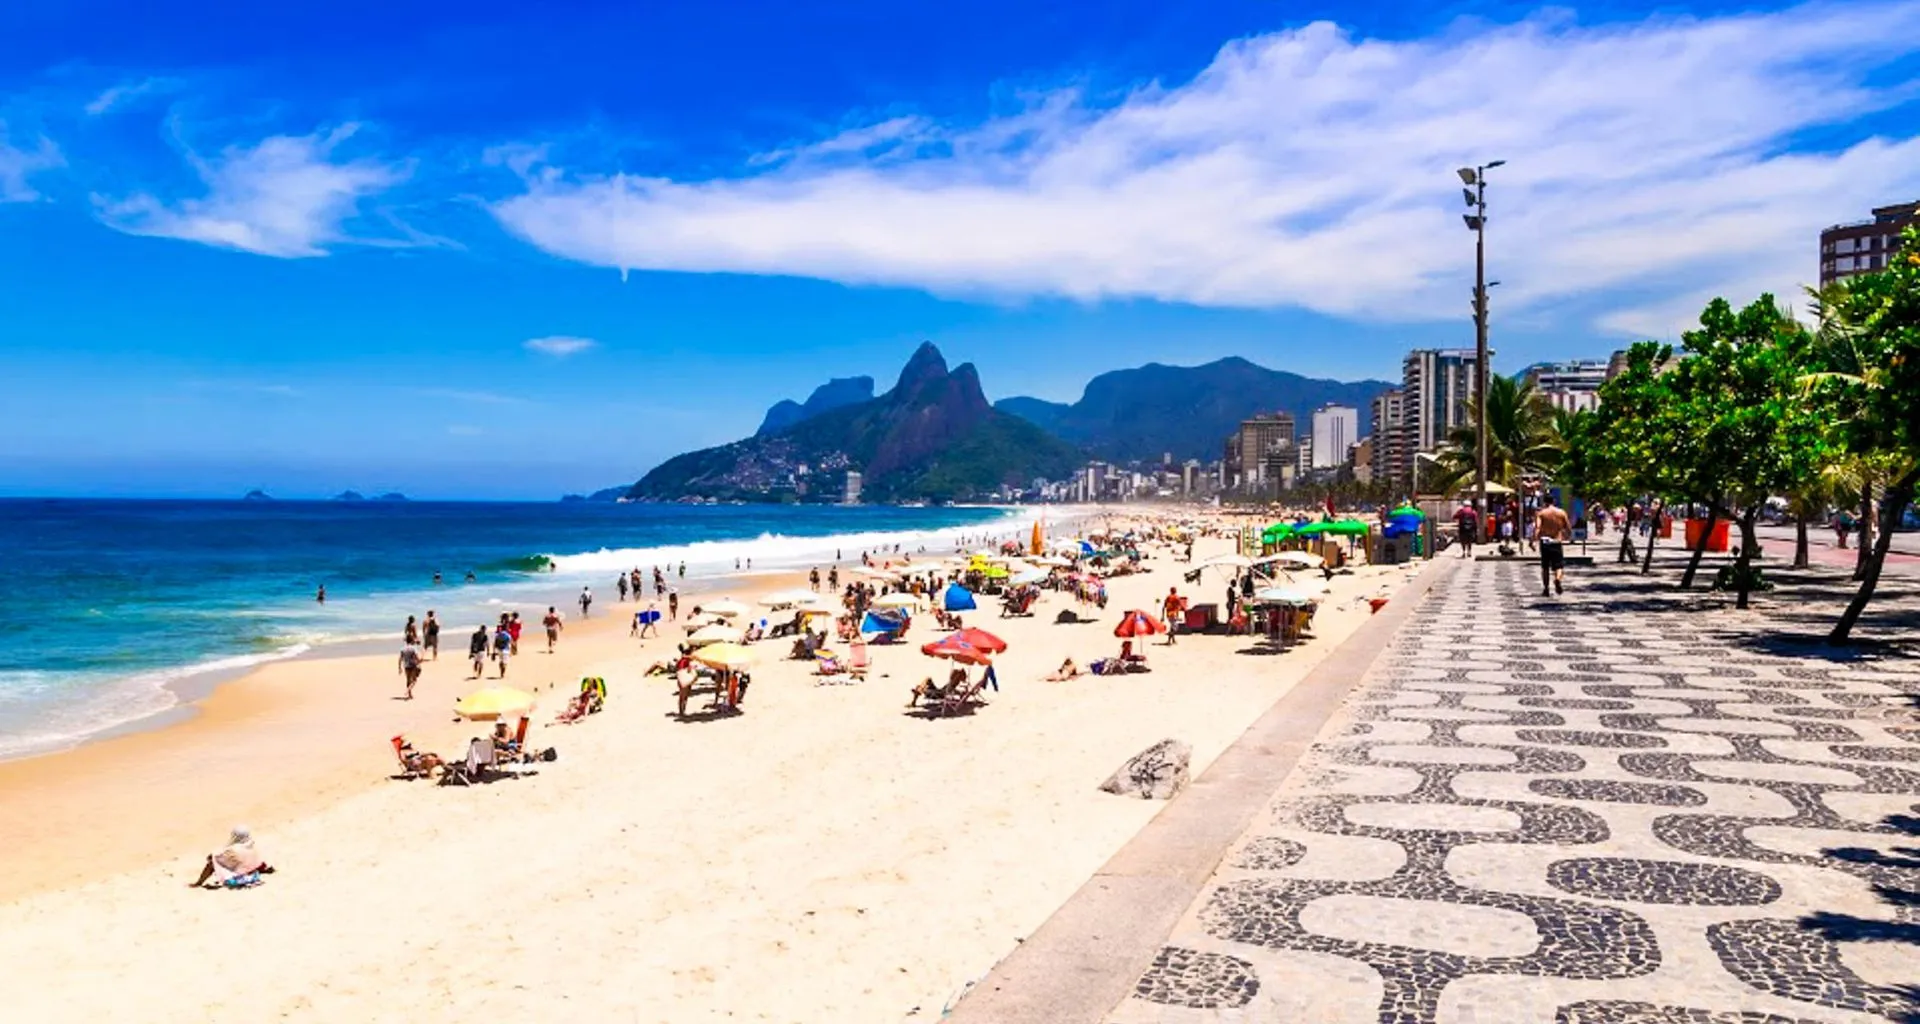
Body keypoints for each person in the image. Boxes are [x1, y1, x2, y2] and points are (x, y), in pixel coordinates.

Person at [189, 825, 270, 888]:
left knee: (212, 862)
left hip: (239, 880)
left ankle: (198, 883)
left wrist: (212, 856)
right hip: (253, 876)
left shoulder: (233, 850)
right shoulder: (251, 846)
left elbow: (217, 859)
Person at [1535, 494, 1573, 596]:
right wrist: (1567, 537)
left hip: (1545, 541)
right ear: (1553, 501)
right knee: (1558, 566)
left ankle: (1546, 589)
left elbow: (1538, 527)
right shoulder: (1561, 512)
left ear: (1544, 502)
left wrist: (1533, 540)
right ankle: (1557, 579)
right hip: (1556, 541)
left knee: (1545, 567)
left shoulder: (1541, 513)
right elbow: (1568, 527)